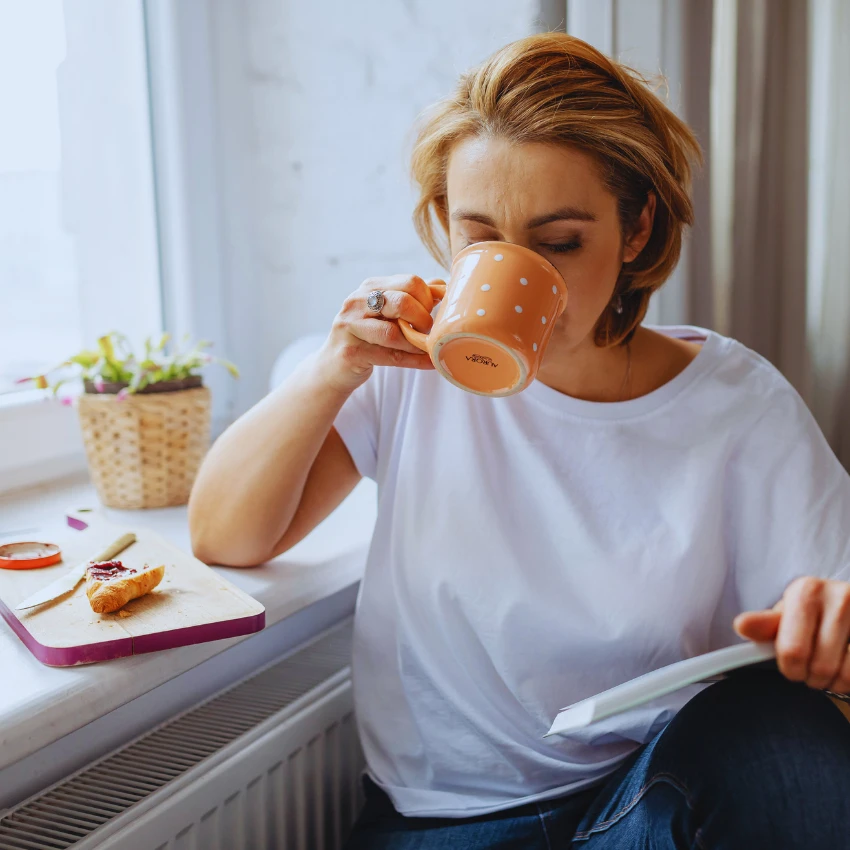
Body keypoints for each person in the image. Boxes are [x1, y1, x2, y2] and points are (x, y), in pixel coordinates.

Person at [188, 33, 850, 848]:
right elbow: (225, 535)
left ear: (636, 229)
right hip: (444, 824)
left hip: (644, 803)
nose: (516, 271)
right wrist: (336, 368)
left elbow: (833, 615)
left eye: (559, 242)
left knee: (781, 731)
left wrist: (831, 636)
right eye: (481, 239)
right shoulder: (407, 369)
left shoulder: (736, 405)